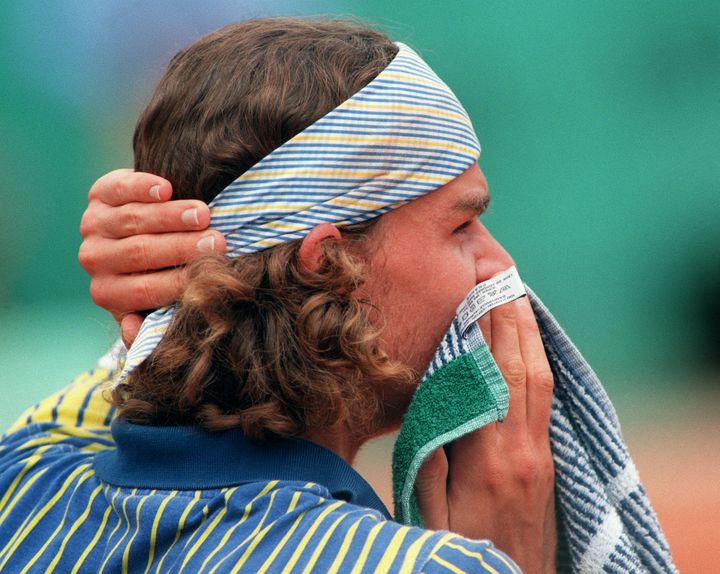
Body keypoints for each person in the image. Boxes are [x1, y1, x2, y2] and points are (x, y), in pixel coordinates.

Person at [1, 18, 557, 573]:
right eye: (461, 228)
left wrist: (172, 305)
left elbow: (110, 394)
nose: (500, 265)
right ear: (332, 270)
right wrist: (511, 554)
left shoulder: (21, 481)